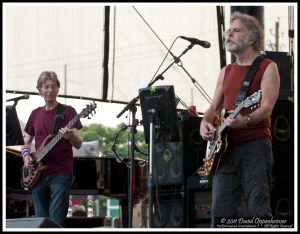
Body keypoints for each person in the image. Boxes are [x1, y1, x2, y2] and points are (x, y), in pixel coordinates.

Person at [199, 12, 280, 227]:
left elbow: (267, 107)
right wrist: (204, 124)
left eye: (236, 30)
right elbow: (213, 109)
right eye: (228, 31)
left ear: (252, 38)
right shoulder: (226, 71)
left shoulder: (268, 67)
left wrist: (246, 120)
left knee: (258, 210)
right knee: (220, 211)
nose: (229, 34)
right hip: (224, 152)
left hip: (255, 147)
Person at [22, 71, 83, 227]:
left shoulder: (68, 112)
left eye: (53, 86)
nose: (50, 90)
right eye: (46, 87)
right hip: (37, 175)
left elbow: (78, 144)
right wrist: (26, 157)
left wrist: (70, 136)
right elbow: (26, 141)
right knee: (40, 222)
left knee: (55, 222)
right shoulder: (35, 114)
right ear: (40, 90)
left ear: (58, 89)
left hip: (60, 175)